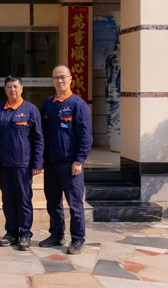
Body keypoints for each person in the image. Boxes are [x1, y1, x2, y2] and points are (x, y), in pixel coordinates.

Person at [40, 65, 93, 255]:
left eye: (63, 77)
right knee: (52, 201)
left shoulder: (78, 104)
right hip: (51, 162)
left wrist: (79, 160)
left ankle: (78, 239)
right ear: (52, 81)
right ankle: (56, 234)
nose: (60, 80)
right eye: (56, 77)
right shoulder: (48, 104)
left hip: (71, 164)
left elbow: (86, 136)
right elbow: (43, 134)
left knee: (75, 204)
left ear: (71, 79)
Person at [0, 75, 44, 251]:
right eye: (9, 87)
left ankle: (25, 234)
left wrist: (37, 163)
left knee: (23, 199)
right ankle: (11, 232)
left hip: (23, 164)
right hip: (3, 164)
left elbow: (38, 138)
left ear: (21, 89)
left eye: (15, 86)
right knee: (7, 200)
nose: (12, 90)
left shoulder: (30, 109)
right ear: (5, 90)